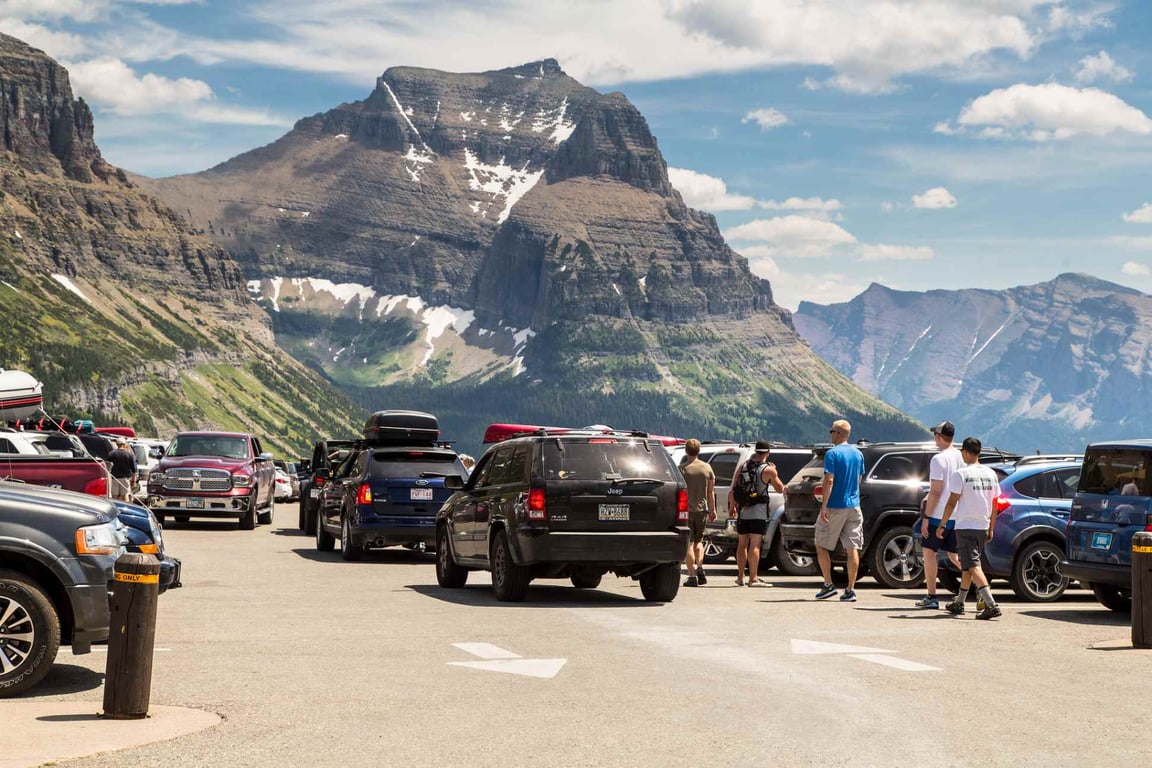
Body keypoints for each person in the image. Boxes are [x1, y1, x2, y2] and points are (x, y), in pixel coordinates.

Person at [937, 436, 1002, 620]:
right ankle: (960, 602)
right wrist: (991, 527)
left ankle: (990, 604)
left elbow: (951, 502)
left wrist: (942, 524)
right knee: (967, 565)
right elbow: (995, 503)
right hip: (982, 525)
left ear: (964, 452)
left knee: (973, 565)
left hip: (966, 525)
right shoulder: (991, 473)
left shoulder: (961, 474)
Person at [814, 420, 864, 602]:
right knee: (852, 548)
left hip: (835, 506)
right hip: (854, 506)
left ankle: (828, 584)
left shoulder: (832, 454)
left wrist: (824, 505)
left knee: (821, 543)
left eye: (831, 431)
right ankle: (850, 589)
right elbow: (859, 479)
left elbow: (829, 480)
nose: (830, 434)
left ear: (837, 434)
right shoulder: (858, 454)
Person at [916, 421, 964, 609]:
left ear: (938, 436)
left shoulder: (938, 459)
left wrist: (926, 517)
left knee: (929, 553)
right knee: (955, 556)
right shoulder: (960, 456)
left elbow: (936, 491)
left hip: (938, 514)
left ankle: (931, 596)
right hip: (957, 513)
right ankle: (981, 588)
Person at [728, 440, 784, 587]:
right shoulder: (768, 470)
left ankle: (740, 576)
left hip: (743, 510)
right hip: (758, 511)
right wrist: (775, 472)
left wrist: (732, 507)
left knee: (742, 544)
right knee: (755, 544)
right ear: (768, 452)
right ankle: (753, 578)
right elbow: (780, 489)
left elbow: (733, 489)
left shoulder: (743, 466)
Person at [679, 439, 716, 587]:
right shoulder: (707, 468)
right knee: (699, 542)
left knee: (689, 543)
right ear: (698, 451)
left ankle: (692, 575)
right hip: (702, 510)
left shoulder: (681, 469)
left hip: (686, 511)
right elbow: (710, 492)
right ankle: (700, 567)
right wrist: (713, 510)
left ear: (686, 451)